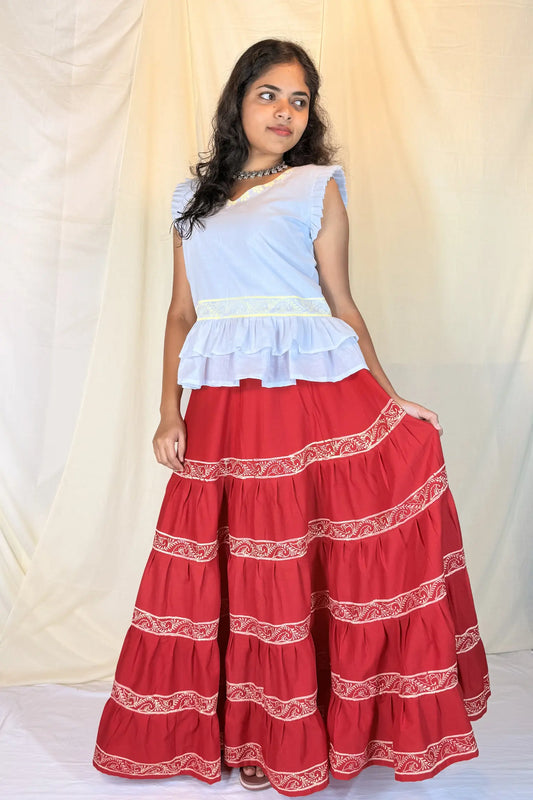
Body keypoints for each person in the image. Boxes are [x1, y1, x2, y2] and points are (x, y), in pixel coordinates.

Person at [92, 38, 490, 796]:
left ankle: (309, 735)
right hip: (222, 408)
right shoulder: (189, 202)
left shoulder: (314, 187)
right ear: (238, 100)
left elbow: (340, 305)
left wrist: (390, 396)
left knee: (300, 559)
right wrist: (165, 412)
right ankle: (245, 731)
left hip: (308, 400)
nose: (283, 111)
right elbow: (182, 313)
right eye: (269, 93)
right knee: (234, 567)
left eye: (298, 100)